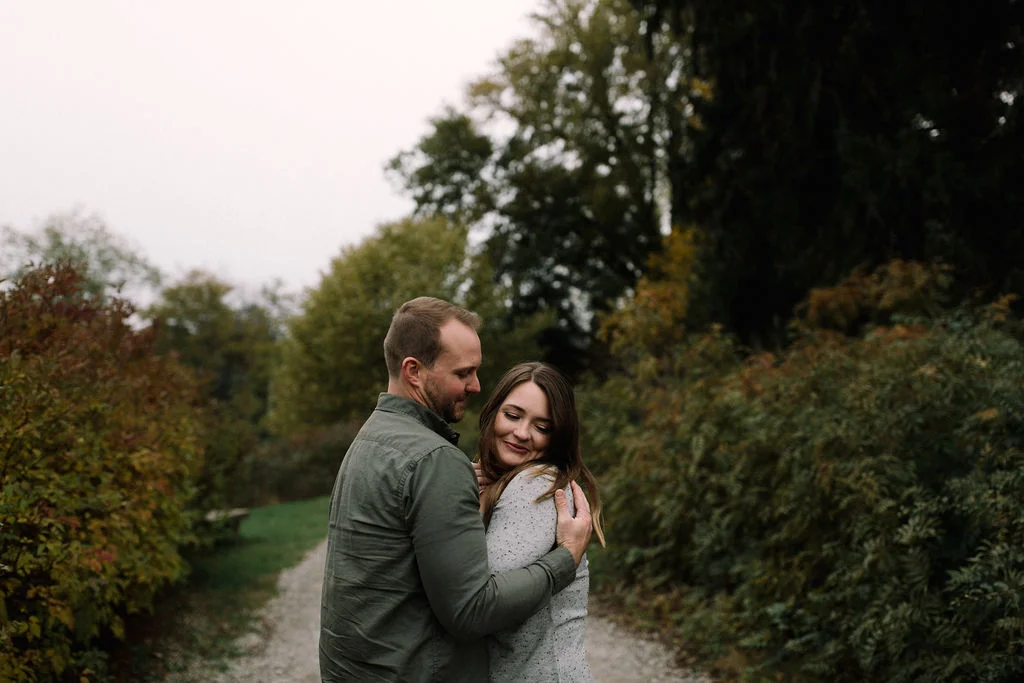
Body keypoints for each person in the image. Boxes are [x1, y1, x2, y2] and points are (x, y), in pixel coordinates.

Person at [319, 297, 594, 683]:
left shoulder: (369, 438)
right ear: (414, 371)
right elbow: (473, 609)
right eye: (464, 372)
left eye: (542, 426)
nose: (476, 385)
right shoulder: (434, 460)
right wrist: (564, 560)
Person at [473, 361, 606, 683]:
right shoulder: (496, 482)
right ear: (493, 412)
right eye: (513, 415)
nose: (521, 433)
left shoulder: (538, 485)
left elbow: (477, 600)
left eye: (542, 427)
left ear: (557, 437)